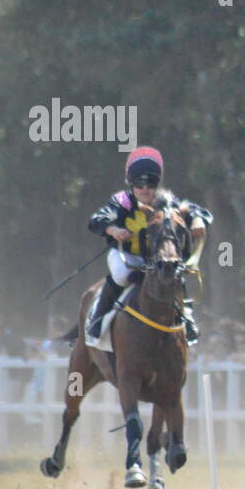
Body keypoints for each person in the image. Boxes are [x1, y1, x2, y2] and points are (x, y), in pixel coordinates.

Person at [85, 146, 212, 346]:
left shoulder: (168, 202)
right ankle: (98, 318)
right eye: (139, 183)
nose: (145, 189)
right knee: (121, 275)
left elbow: (197, 211)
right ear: (131, 184)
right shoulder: (122, 201)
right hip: (127, 255)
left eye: (150, 183)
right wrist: (113, 230)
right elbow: (97, 220)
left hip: (157, 258)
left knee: (176, 272)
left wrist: (198, 221)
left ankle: (187, 316)